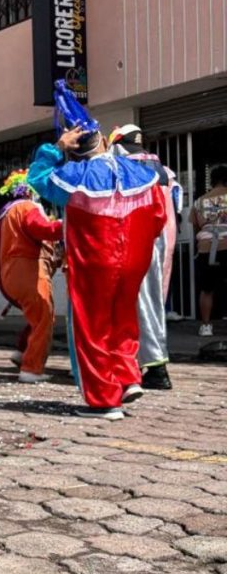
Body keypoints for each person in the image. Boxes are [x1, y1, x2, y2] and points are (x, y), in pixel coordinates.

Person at [28, 81, 165, 421]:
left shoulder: (73, 176)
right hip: (134, 260)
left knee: (92, 326)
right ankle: (128, 378)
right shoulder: (140, 172)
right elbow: (159, 216)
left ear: (72, 148)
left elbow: (37, 178)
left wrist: (54, 149)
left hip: (95, 260)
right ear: (103, 139)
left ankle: (104, 400)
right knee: (124, 317)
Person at [110, 124, 180, 389]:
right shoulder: (164, 171)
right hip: (160, 243)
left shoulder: (121, 168)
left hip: (135, 240)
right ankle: (141, 364)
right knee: (151, 302)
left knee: (139, 304)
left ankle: (155, 368)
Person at [0, 170, 63, 383]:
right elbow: (41, 228)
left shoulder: (6, 213)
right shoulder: (28, 207)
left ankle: (23, 353)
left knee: (37, 317)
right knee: (44, 319)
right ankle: (31, 369)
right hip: (29, 270)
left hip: (10, 273)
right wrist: (66, 224)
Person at [192, 164, 227, 338]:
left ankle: (206, 326)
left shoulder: (199, 201)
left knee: (207, 289)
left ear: (212, 181)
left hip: (207, 247)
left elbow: (196, 227)